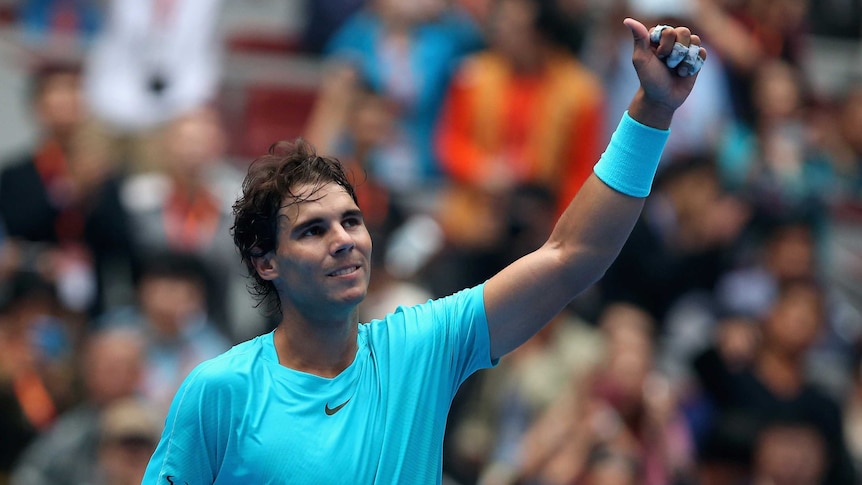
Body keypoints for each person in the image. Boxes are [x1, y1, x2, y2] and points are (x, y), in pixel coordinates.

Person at [142, 17, 707, 483]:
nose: (344, 240)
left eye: (351, 221)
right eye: (313, 230)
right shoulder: (219, 390)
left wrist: (651, 113)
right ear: (267, 262)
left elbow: (571, 255)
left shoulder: (421, 347)